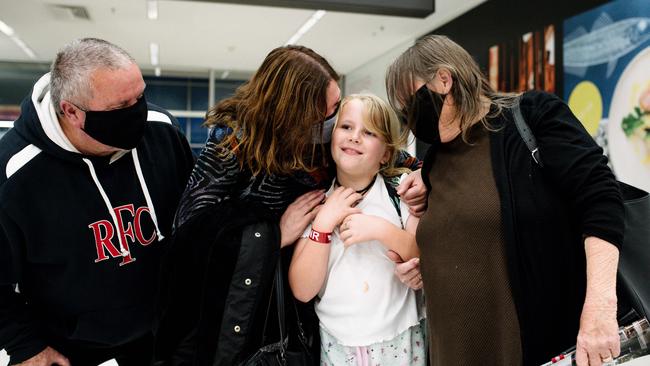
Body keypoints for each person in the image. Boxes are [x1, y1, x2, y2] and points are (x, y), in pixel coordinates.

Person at [152, 45, 426, 366]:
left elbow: (388, 152)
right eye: (332, 109)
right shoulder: (235, 142)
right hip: (252, 301)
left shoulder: (321, 139)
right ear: (298, 113)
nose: (338, 119)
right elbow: (191, 235)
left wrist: (424, 174)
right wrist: (273, 234)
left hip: (314, 305)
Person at [385, 34, 624, 366]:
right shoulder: (435, 160)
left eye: (411, 103)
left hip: (533, 346)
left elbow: (601, 199)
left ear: (444, 79)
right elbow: (468, 240)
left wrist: (600, 307)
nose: (410, 118)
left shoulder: (530, 116)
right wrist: (425, 267)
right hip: (452, 351)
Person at [0, 38, 194, 365]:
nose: (138, 112)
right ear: (72, 111)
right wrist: (24, 345)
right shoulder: (16, 175)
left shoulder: (162, 133)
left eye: (140, 96)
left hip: (163, 333)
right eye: (121, 107)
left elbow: (195, 221)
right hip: (70, 346)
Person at [289, 94, 426, 366]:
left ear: (386, 152)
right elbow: (303, 290)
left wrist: (380, 229)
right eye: (346, 127)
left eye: (369, 132)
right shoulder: (317, 201)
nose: (354, 137)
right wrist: (323, 225)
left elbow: (419, 252)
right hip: (337, 346)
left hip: (399, 342)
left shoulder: (400, 191)